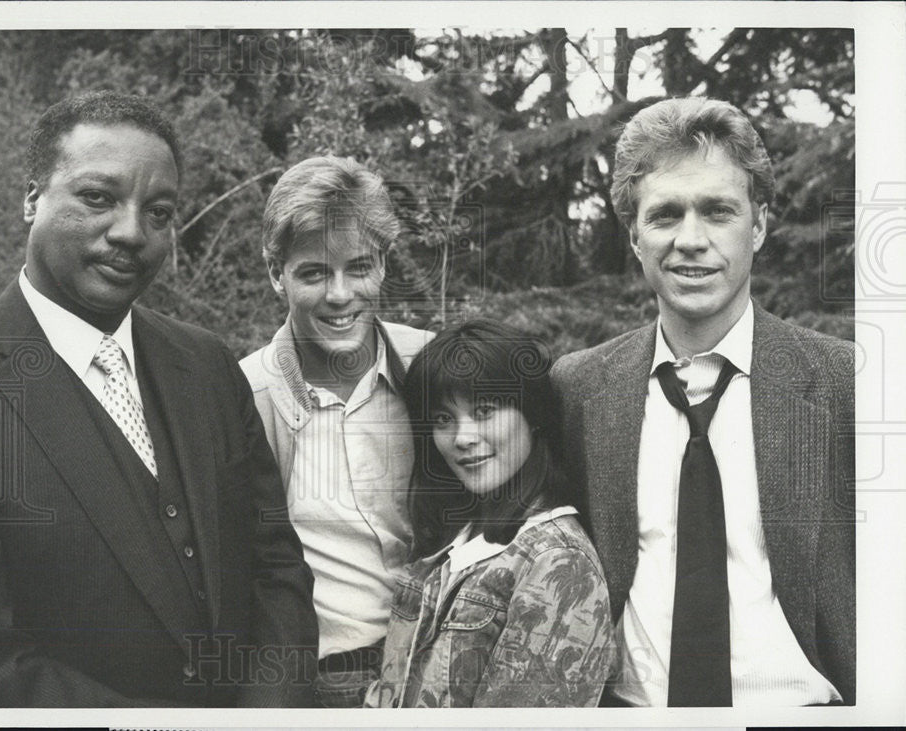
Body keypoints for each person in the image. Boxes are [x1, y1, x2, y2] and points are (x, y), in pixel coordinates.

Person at [0, 91, 317, 707]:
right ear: (31, 200)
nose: (132, 232)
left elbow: (276, 570)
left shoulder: (206, 362)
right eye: (97, 197)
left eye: (158, 211)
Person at [551, 97, 855, 707]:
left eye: (718, 211)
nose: (691, 240)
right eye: (664, 215)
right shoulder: (576, 388)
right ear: (634, 236)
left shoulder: (850, 381)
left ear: (759, 225)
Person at [239, 156, 432, 707]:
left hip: (440, 654)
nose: (341, 295)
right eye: (314, 273)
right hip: (324, 681)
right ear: (277, 273)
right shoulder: (241, 396)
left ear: (384, 264)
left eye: (359, 267)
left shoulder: (430, 366)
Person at [365, 320, 615, 708]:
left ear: (532, 414)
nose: (462, 437)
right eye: (444, 419)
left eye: (484, 411)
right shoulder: (451, 537)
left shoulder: (559, 563)